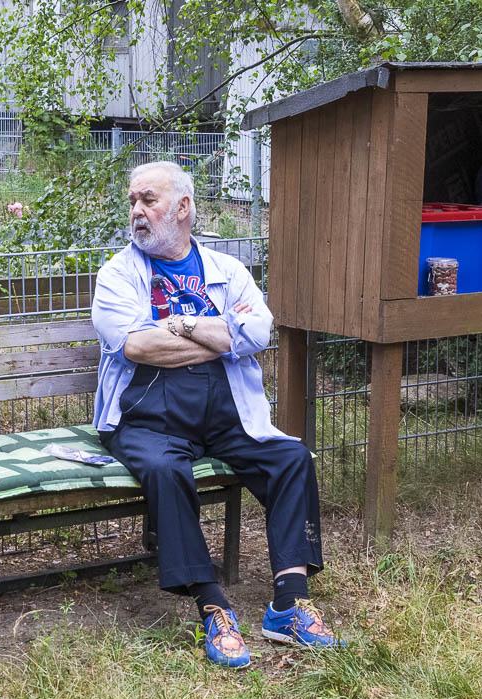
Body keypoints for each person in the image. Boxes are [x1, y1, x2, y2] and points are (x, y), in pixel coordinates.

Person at [91, 161, 343, 669]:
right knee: (165, 469)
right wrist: (220, 335)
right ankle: (212, 605)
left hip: (227, 412)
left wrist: (181, 324)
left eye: (148, 200)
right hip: (146, 414)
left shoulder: (228, 270)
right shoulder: (118, 274)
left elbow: (258, 334)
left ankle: (289, 605)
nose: (137, 211)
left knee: (291, 459)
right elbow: (137, 346)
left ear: (183, 207)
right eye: (133, 201)